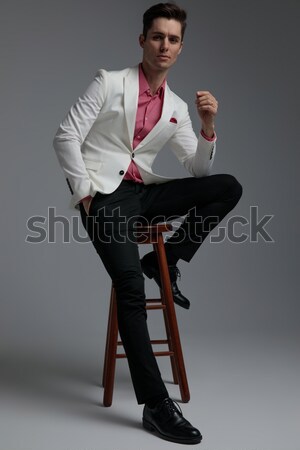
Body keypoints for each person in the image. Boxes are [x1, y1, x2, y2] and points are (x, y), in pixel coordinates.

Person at [53, 2, 242, 445]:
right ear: (143, 40)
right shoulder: (110, 82)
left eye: (173, 39)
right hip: (107, 197)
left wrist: (208, 127)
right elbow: (66, 136)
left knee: (227, 187)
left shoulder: (175, 106)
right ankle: (155, 406)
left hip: (146, 194)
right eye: (157, 36)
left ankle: (166, 261)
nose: (164, 45)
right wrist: (85, 195)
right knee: (130, 291)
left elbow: (198, 171)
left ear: (180, 48)